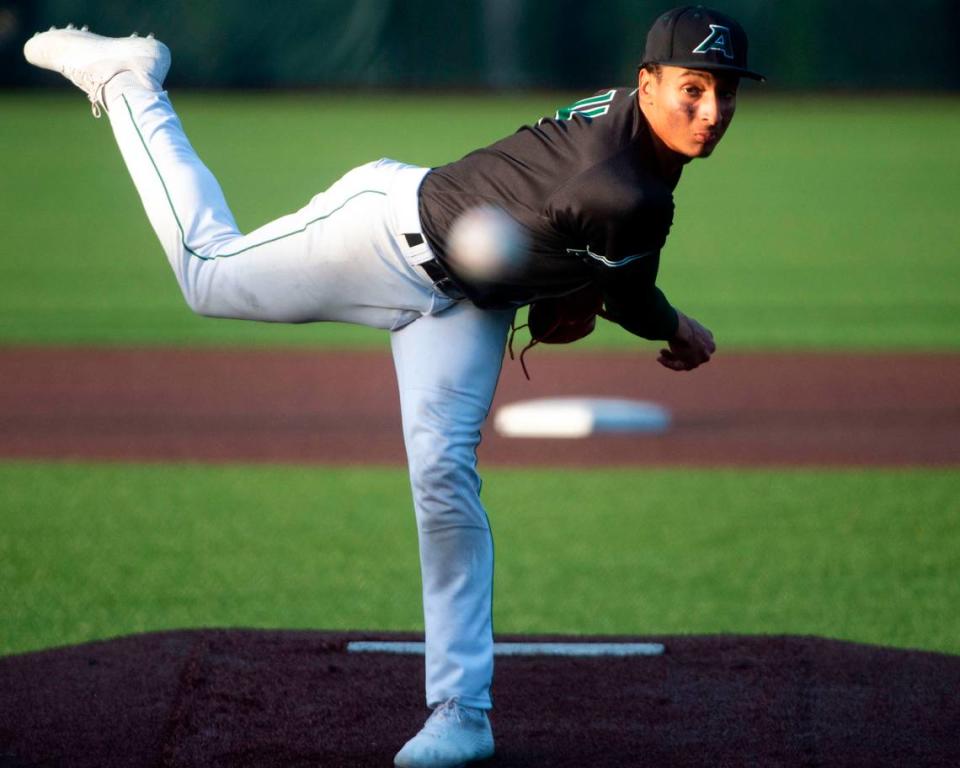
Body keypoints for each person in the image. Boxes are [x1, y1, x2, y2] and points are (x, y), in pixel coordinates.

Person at [24, 6, 762, 767]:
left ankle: (461, 713)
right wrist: (678, 331)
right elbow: (632, 297)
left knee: (444, 477)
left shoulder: (628, 141)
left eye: (727, 93)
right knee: (206, 275)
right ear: (646, 84)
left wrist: (571, 278)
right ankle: (129, 82)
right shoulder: (624, 189)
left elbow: (574, 249)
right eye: (693, 90)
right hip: (380, 237)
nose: (712, 112)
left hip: (467, 307)